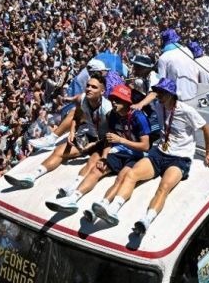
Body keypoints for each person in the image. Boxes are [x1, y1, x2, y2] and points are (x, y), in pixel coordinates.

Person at [91, 78, 209, 234]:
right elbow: (151, 94)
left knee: (164, 187)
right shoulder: (159, 106)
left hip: (179, 158)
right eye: (159, 92)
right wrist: (141, 103)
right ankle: (114, 210)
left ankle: (146, 220)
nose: (159, 95)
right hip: (159, 153)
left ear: (171, 95)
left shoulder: (186, 111)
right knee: (131, 174)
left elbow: (206, 128)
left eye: (163, 93)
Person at [45, 84, 150, 214]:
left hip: (136, 156)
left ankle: (105, 206)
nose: (113, 102)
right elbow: (109, 139)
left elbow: (145, 146)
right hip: (119, 152)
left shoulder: (139, 117)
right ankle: (72, 199)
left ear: (126, 102)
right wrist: (104, 157)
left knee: (122, 178)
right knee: (96, 169)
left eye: (117, 100)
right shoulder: (112, 115)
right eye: (112, 99)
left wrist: (121, 140)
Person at [4, 74, 111, 189]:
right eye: (88, 86)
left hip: (105, 143)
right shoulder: (83, 99)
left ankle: (73, 189)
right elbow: (77, 116)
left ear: (102, 91)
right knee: (59, 151)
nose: (89, 88)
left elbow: (112, 135)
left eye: (94, 87)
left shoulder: (107, 109)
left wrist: (94, 145)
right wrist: (72, 131)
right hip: (90, 136)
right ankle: (31, 176)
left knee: (93, 163)